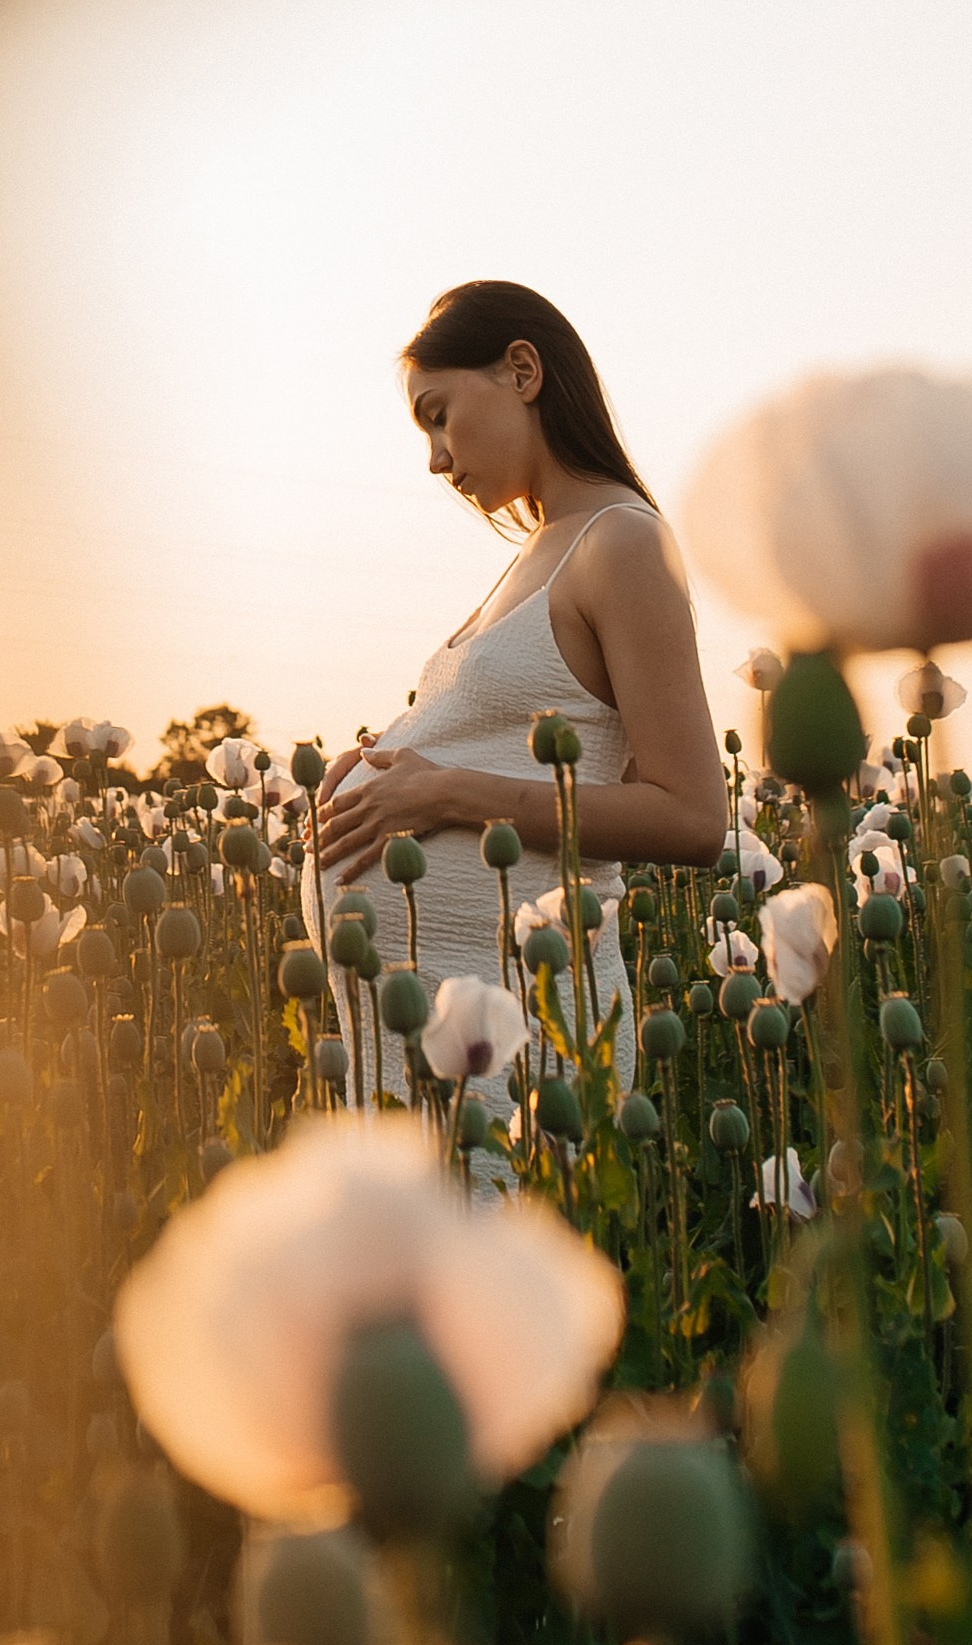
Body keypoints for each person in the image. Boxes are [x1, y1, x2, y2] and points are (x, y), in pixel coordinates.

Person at [310, 279, 726, 1124]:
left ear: (522, 371)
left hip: (527, 1066)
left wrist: (445, 791)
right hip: (422, 1053)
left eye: (437, 413)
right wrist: (381, 762)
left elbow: (691, 818)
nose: (434, 458)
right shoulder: (540, 551)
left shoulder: (624, 543)